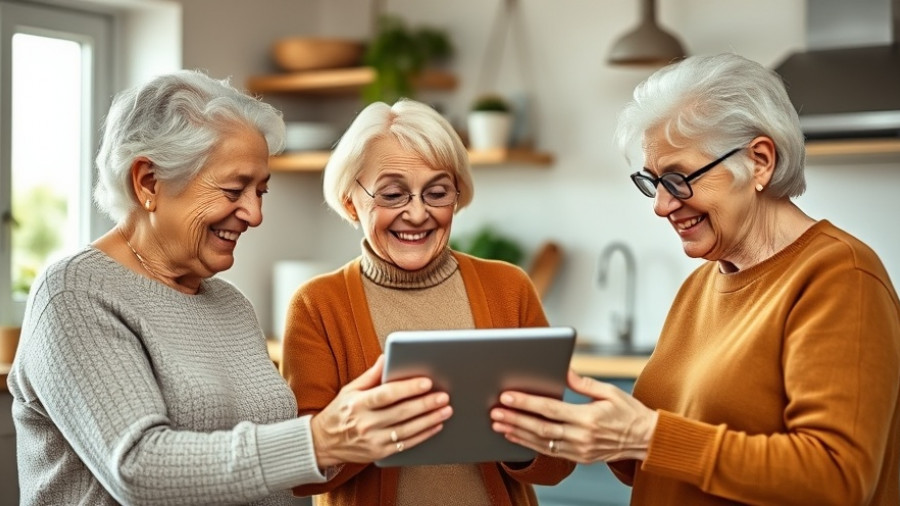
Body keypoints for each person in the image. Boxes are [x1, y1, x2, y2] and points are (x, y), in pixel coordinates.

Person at [7, 70, 451, 505]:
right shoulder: (75, 294)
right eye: (235, 189)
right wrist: (320, 441)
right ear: (148, 181)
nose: (254, 214)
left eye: (261, 191)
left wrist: (372, 424)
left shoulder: (229, 304)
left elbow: (270, 463)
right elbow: (139, 469)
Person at [489, 53, 900, 505]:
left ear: (759, 161)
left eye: (679, 178)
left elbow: (836, 478)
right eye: (653, 182)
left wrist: (646, 436)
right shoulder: (703, 284)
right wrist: (550, 430)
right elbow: (643, 459)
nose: (662, 206)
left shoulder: (840, 277)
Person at [280, 98, 575, 505]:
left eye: (437, 192)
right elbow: (301, 476)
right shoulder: (317, 306)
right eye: (393, 194)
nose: (417, 214)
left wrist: (524, 437)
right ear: (351, 201)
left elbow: (559, 463)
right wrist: (361, 433)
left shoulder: (509, 288)